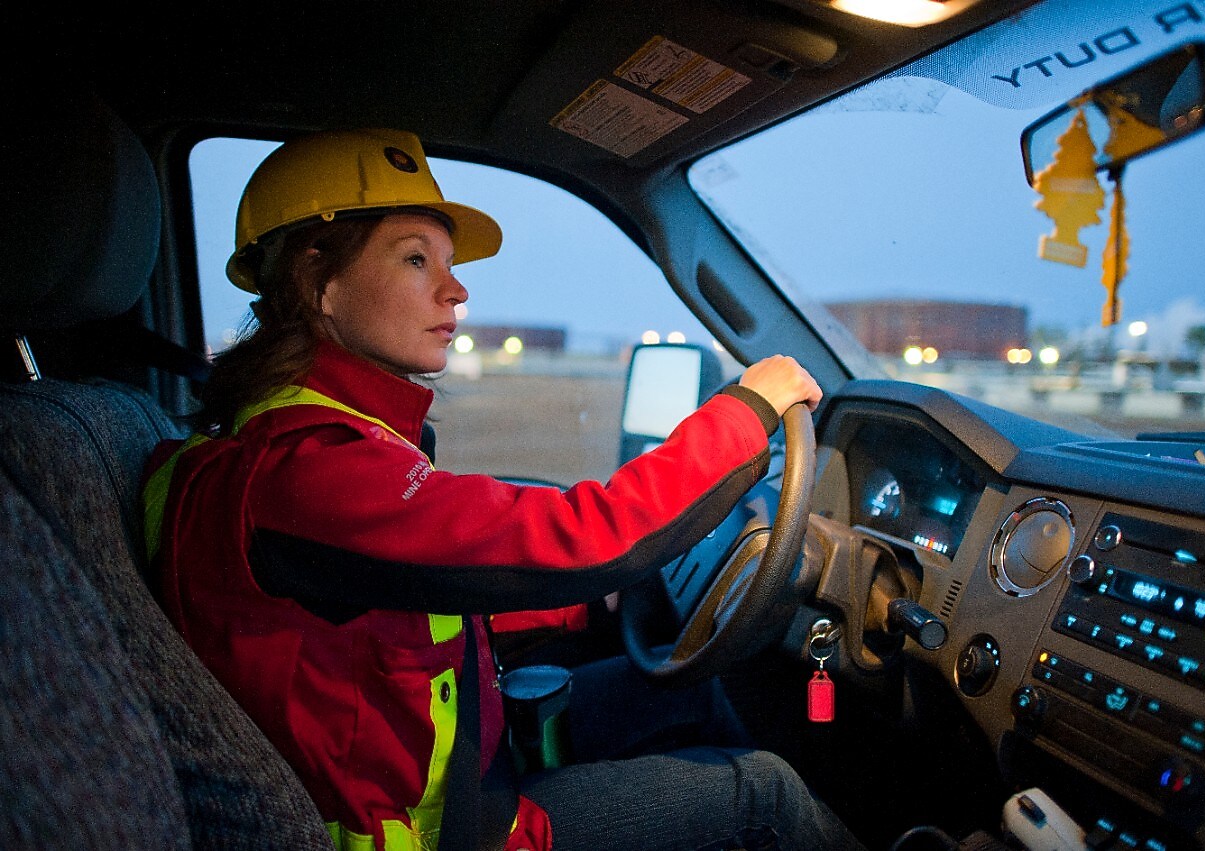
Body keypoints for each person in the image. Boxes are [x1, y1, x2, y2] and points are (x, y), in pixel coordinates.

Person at [143, 127, 863, 851]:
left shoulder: (295, 445)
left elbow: (406, 601)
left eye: (447, 264)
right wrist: (748, 409)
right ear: (319, 281)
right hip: (450, 831)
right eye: (416, 259)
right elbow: (584, 535)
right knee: (763, 792)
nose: (456, 289)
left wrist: (590, 602)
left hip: (455, 765)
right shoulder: (306, 470)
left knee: (699, 686)